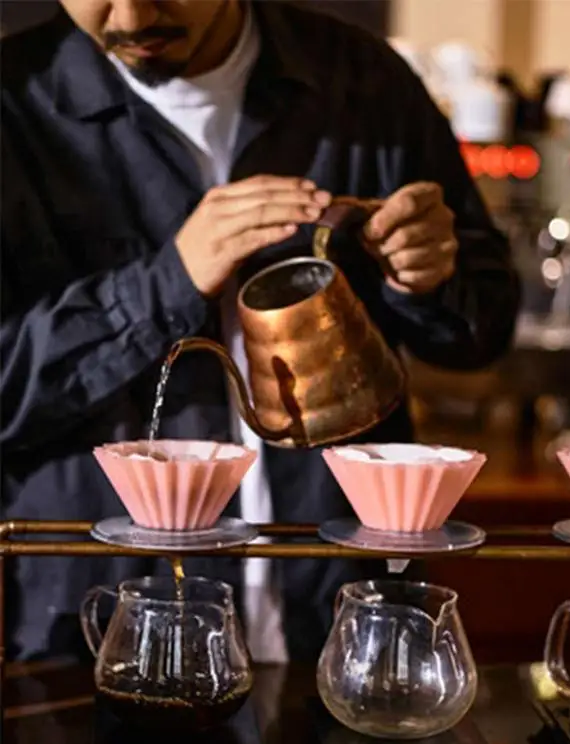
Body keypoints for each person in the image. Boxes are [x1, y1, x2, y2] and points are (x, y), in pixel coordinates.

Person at [0, 0, 520, 664]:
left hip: (352, 622)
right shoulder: (12, 102)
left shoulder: (362, 82)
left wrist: (428, 275)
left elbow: (483, 333)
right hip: (97, 634)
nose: (128, 16)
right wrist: (170, 281)